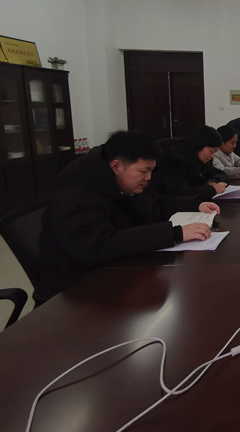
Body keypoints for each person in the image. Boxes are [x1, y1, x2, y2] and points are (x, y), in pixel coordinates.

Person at [37, 131, 220, 303]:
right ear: (116, 166)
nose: (148, 178)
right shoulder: (76, 196)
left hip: (117, 273)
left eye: (151, 171)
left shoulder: (119, 183)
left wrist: (195, 205)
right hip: (76, 294)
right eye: (143, 171)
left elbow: (153, 203)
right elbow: (99, 245)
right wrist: (174, 233)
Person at [149, 126, 227, 201]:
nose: (212, 156)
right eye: (211, 151)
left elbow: (220, 173)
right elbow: (181, 192)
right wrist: (211, 189)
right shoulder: (174, 160)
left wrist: (212, 181)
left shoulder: (201, 160)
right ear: (200, 145)